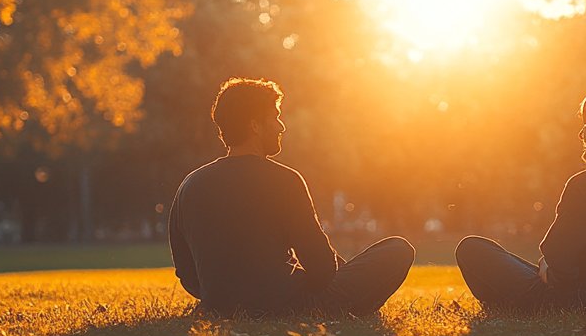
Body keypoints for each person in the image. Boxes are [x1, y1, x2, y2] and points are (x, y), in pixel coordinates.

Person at [168, 78, 414, 316]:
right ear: (255, 125)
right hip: (294, 307)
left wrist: (225, 297)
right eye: (275, 117)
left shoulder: (190, 185)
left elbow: (188, 275)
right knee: (398, 250)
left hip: (219, 305)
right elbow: (323, 270)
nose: (281, 126)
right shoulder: (284, 180)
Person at [456, 84, 586, 312]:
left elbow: (557, 261)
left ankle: (509, 308)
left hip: (573, 302)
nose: (581, 134)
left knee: (471, 249)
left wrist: (550, 271)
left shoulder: (585, 185)